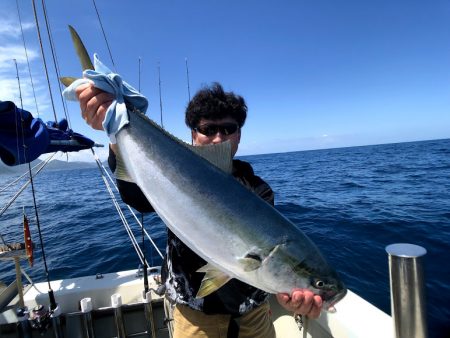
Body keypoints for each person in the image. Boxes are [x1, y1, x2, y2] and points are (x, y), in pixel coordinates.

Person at [76, 82, 323, 337]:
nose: (218, 137)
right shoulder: (170, 174)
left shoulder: (258, 190)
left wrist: (285, 293)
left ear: (239, 134)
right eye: (208, 129)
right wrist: (115, 131)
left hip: (254, 316)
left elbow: (259, 261)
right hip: (194, 319)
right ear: (193, 134)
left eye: (228, 129)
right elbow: (136, 195)